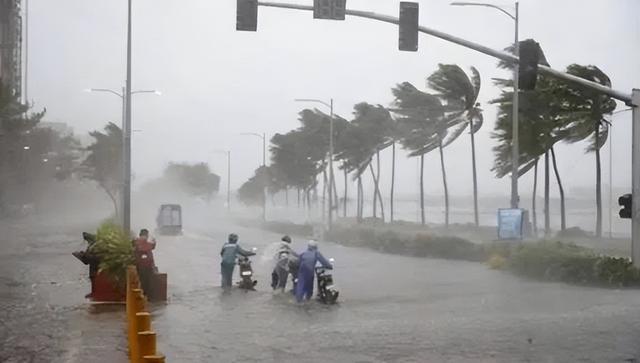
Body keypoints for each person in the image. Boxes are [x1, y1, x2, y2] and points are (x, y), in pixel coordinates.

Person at [134, 229, 157, 297]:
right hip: (145, 265)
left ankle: (144, 294)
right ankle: (145, 294)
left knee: (143, 280)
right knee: (146, 281)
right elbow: (151, 246)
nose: (145, 238)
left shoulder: (136, 242)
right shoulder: (144, 244)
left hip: (142, 265)